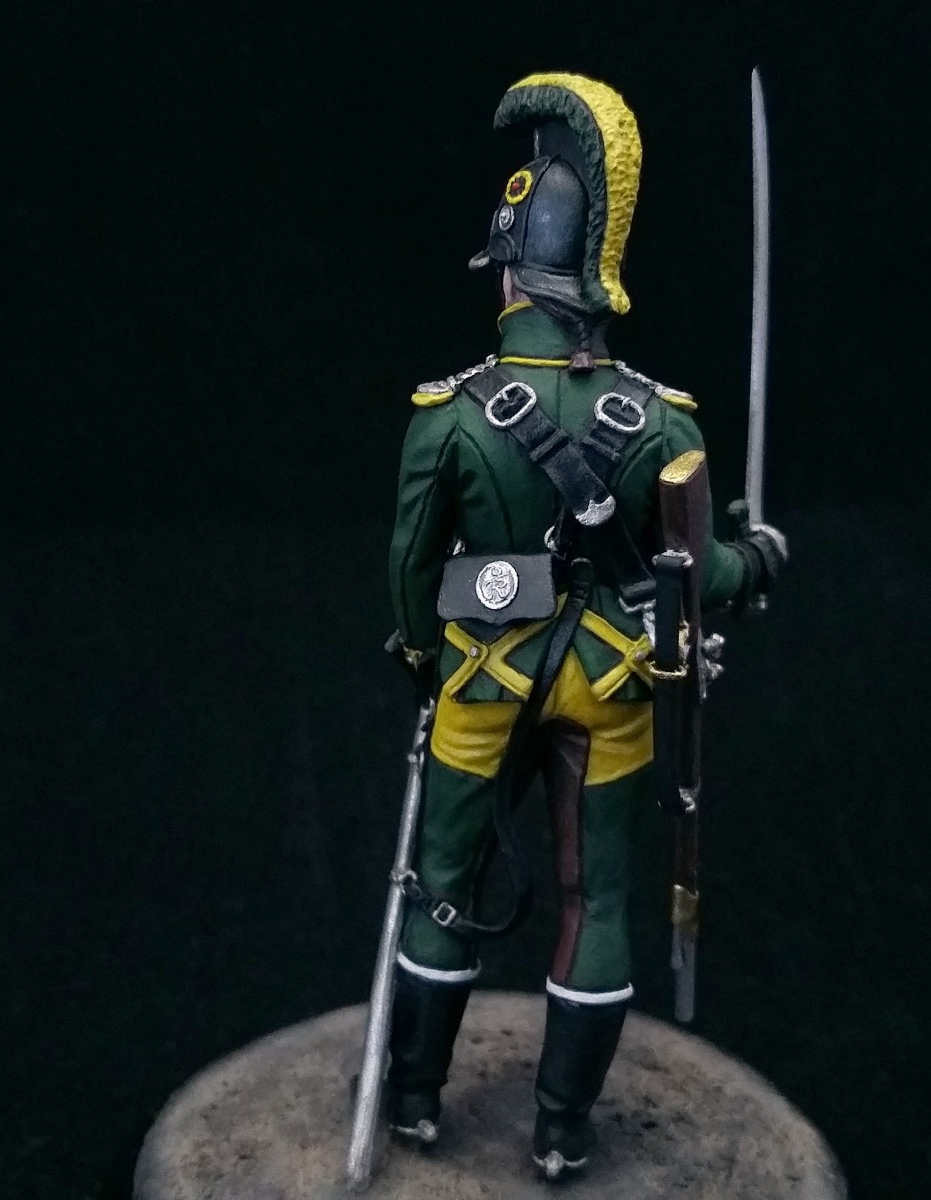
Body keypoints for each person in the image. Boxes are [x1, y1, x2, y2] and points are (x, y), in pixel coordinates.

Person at [383, 72, 786, 1180]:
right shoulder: (664, 421)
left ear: (511, 271)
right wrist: (758, 556)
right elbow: (698, 571)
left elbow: (411, 574)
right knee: (595, 898)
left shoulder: (449, 418)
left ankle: (413, 1100)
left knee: (442, 884)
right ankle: (561, 1131)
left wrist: (420, 657)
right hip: (612, 684)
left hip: (484, 675)